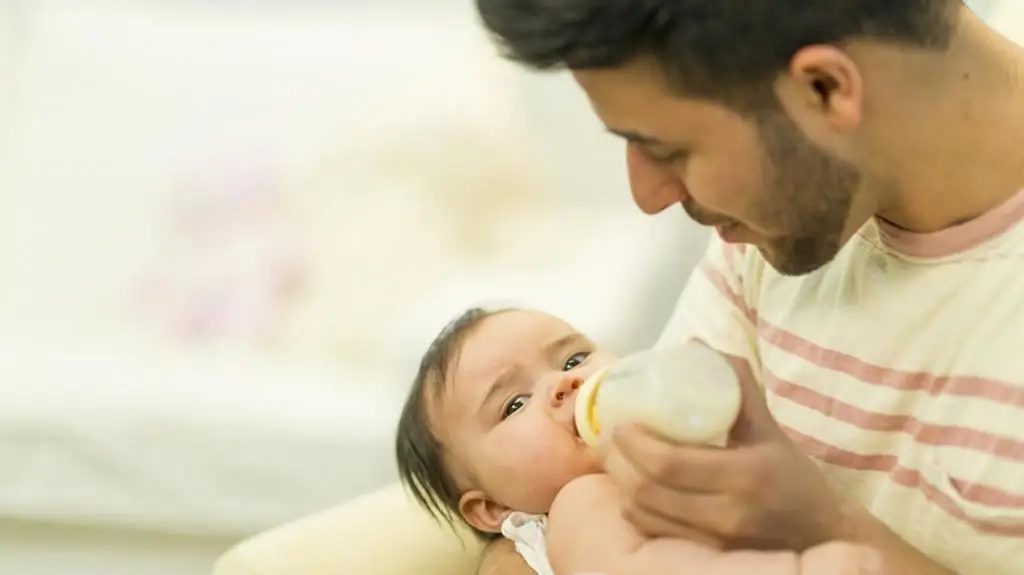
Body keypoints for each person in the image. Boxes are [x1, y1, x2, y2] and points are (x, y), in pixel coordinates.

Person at [470, 1, 1024, 574]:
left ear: (826, 90)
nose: (649, 196)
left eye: (668, 150)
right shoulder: (774, 230)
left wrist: (826, 529)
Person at [395, 306, 883, 575]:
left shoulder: (685, 455)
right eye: (514, 404)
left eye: (571, 360)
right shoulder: (577, 504)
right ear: (493, 509)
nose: (564, 384)